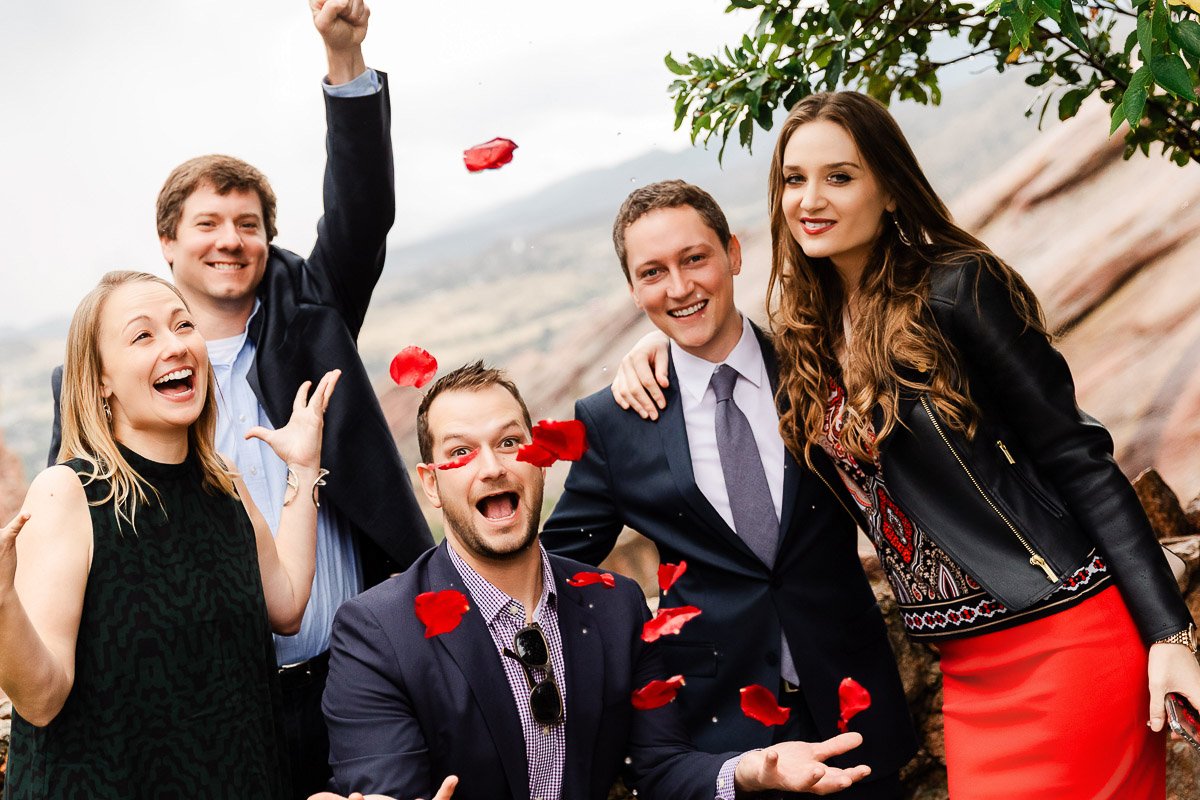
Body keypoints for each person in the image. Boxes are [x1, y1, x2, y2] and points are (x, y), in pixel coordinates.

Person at [610, 91, 1200, 797]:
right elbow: (722, 344)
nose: (810, 199)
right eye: (794, 179)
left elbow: (1080, 456)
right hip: (966, 667)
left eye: (839, 176)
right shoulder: (809, 338)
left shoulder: (959, 289)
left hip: (1061, 634)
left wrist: (1168, 634)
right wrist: (661, 342)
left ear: (889, 188)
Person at [44, 1, 433, 794]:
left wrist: (344, 56)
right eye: (208, 223)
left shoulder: (312, 314)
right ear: (167, 243)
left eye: (249, 224)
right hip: (217, 698)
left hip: (352, 672)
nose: (231, 239)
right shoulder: (102, 381)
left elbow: (361, 214)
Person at [317, 362, 874, 800]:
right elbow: (385, 787)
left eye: (510, 442)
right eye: (460, 452)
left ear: (539, 459)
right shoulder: (376, 633)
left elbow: (658, 766)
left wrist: (751, 770)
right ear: (431, 484)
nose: (491, 467)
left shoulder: (614, 605)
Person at [540, 180, 915, 798]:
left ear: (733, 254)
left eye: (695, 259)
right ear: (635, 290)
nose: (681, 287)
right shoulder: (613, 423)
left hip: (859, 718)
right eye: (653, 272)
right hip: (723, 740)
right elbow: (559, 566)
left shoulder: (819, 367)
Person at [1, 271, 339, 798]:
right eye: (143, 335)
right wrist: (1, 601)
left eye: (184, 325)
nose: (177, 345)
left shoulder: (223, 482)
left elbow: (288, 604)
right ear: (98, 381)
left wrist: (303, 468)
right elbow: (41, 699)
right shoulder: (68, 494)